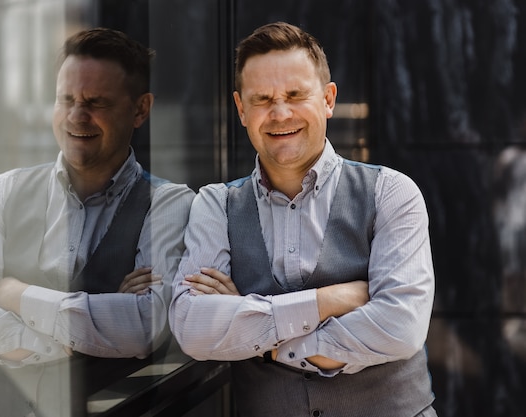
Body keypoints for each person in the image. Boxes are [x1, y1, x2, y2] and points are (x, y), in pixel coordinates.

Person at [169, 22, 436, 417]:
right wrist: (329, 300)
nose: (280, 113)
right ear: (241, 109)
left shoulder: (391, 192)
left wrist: (260, 336)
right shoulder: (215, 205)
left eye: (295, 95)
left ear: (328, 99)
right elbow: (193, 328)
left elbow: (400, 328)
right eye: (262, 99)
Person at [0, 28, 194, 417]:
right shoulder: (2, 192)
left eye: (95, 102)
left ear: (140, 109)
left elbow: (145, 325)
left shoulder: (169, 204)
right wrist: (70, 339)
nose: (77, 116)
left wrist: (13, 295)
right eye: (66, 99)